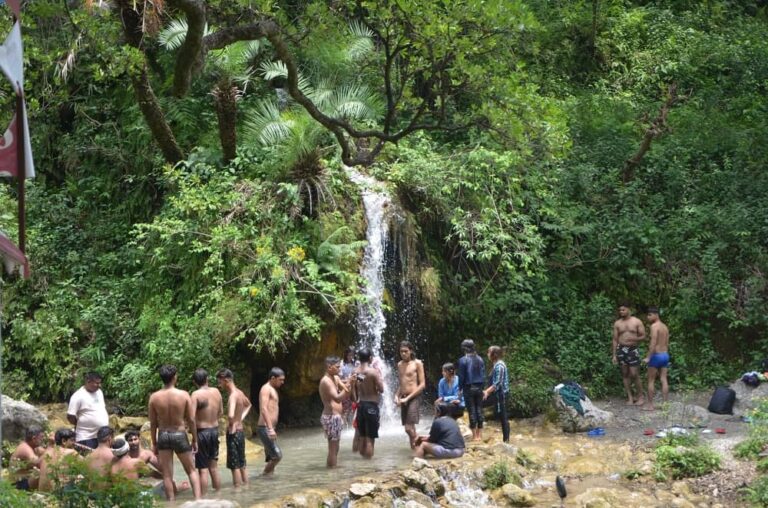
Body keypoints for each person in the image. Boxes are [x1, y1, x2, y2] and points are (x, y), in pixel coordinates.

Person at [148, 364, 202, 501]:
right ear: (174, 377)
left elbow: (153, 423)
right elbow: (191, 419)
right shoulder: (183, 395)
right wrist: (195, 439)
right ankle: (199, 501)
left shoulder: (154, 397)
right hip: (179, 434)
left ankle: (171, 503)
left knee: (167, 475)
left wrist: (154, 443)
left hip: (163, 435)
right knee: (191, 470)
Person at [216, 368, 251, 486]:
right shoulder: (240, 393)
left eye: (220, 382)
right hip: (240, 432)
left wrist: (232, 424)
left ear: (226, 380)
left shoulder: (232, 396)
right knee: (242, 463)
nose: (219, 385)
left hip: (233, 433)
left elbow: (230, 415)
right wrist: (240, 419)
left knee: (234, 466)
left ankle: (238, 492)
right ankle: (246, 488)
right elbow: (248, 405)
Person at [192, 368, 223, 493]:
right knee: (214, 468)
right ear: (207, 379)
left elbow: (191, 419)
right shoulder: (216, 391)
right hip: (214, 431)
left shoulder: (195, 395)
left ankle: (203, 500)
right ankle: (219, 495)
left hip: (202, 433)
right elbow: (221, 412)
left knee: (203, 469)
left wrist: (194, 439)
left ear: (195, 382)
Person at [318, 356, 350, 468]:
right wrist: (349, 383)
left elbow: (345, 390)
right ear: (329, 367)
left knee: (336, 447)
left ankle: (332, 470)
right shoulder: (326, 381)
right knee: (332, 448)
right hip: (331, 417)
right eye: (337, 367)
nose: (339, 369)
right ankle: (332, 473)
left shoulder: (335, 378)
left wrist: (352, 382)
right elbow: (338, 398)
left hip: (336, 417)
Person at [612, 302, 647, 405]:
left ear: (629, 309)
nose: (621, 312)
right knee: (625, 374)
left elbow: (643, 336)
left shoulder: (636, 321)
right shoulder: (617, 323)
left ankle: (640, 397)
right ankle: (630, 398)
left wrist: (634, 338)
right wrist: (614, 355)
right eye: (620, 310)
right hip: (621, 349)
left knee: (634, 373)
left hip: (632, 349)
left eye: (623, 310)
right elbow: (614, 339)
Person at [352, 348, 384, 459]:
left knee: (362, 436)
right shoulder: (372, 372)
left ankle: (362, 463)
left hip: (361, 405)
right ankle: (369, 465)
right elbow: (382, 389)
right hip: (371, 406)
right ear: (370, 358)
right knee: (370, 439)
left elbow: (356, 387)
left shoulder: (356, 372)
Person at [395, 341, 426, 448]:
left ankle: (423, 445)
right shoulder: (399, 364)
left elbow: (422, 385)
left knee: (408, 428)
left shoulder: (417, 363)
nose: (403, 354)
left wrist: (408, 398)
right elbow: (402, 383)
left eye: (405, 351)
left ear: (411, 351)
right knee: (410, 427)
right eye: (401, 351)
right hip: (403, 398)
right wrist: (396, 396)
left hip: (413, 397)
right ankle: (415, 449)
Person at [67, 372, 109, 450]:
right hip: (86, 437)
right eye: (97, 383)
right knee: (88, 460)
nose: (99, 385)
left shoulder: (99, 392)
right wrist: (79, 423)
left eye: (100, 383)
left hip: (101, 436)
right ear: (88, 381)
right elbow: (70, 416)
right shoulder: (78, 396)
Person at [256, 367, 285, 476]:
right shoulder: (266, 389)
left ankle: (268, 483)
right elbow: (264, 408)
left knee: (271, 458)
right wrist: (270, 428)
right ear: (273, 378)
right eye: (280, 380)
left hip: (269, 428)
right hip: (265, 428)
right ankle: (262, 477)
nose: (282, 382)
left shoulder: (272, 389)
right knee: (277, 456)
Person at [642, 306, 670, 411]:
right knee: (664, 379)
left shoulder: (654, 326)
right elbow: (667, 342)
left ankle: (650, 405)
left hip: (656, 356)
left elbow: (653, 343)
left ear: (656, 315)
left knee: (651, 381)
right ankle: (665, 404)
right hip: (665, 355)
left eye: (650, 315)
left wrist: (648, 357)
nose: (648, 317)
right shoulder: (665, 327)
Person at [458, 339, 486, 441]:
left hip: (468, 387)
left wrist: (460, 388)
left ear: (465, 348)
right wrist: (483, 388)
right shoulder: (480, 359)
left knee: (472, 411)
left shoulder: (462, 360)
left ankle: (474, 436)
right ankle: (480, 435)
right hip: (479, 387)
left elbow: (461, 376)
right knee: (479, 410)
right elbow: (483, 375)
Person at [483, 346, 511, 443]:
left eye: (489, 352)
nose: (487, 354)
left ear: (494, 355)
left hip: (501, 394)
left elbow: (498, 383)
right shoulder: (495, 365)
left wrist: (487, 391)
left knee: (503, 417)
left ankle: (506, 440)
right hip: (496, 394)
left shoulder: (500, 366)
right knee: (502, 416)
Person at [10, 425, 44, 490]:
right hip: (17, 485)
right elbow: (38, 463)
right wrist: (50, 449)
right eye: (41, 437)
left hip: (25, 480)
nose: (43, 439)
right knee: (41, 473)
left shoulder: (34, 447)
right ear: (34, 438)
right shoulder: (25, 449)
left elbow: (45, 453)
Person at [340, 346, 357, 426]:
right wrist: (348, 380)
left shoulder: (355, 363)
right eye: (349, 355)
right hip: (345, 390)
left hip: (354, 390)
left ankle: (352, 427)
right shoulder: (341, 364)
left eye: (352, 355)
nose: (351, 357)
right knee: (344, 411)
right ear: (345, 354)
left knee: (354, 409)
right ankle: (342, 429)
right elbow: (338, 380)